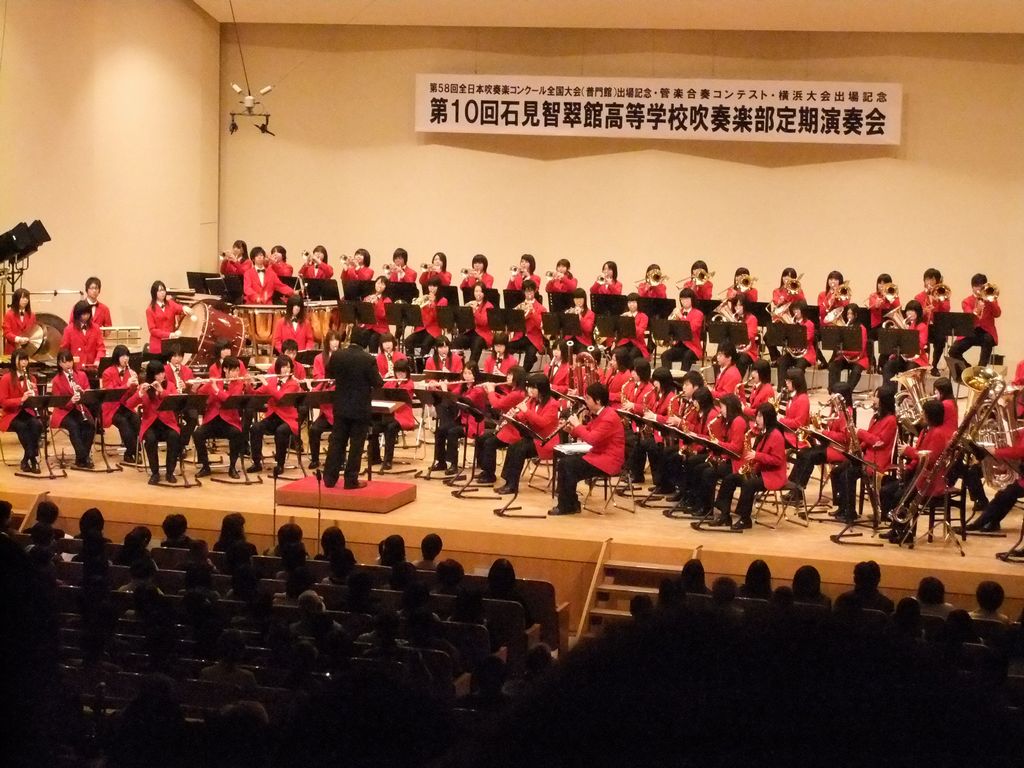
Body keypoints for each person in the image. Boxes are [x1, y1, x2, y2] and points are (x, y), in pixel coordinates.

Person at [709, 402, 788, 530]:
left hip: (773, 475)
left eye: (760, 416)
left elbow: (778, 460)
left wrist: (757, 456)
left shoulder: (776, 435)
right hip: (761, 471)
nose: (757, 419)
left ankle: (745, 519)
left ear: (768, 417)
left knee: (748, 484)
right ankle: (724, 514)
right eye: (757, 416)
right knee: (730, 478)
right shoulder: (764, 432)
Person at [551, 382, 626, 515]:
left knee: (568, 465)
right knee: (565, 463)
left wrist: (577, 425)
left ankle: (568, 505)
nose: (585, 401)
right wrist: (571, 429)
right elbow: (589, 429)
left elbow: (592, 438)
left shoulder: (609, 417)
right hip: (598, 455)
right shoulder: (601, 413)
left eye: (588, 398)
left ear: (598, 401)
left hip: (608, 460)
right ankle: (570, 503)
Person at [324, 341, 383, 489]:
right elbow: (377, 383)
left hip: (341, 405)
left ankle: (329, 478)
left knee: (337, 442)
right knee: (356, 445)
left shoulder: (337, 355)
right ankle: (350, 480)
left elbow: (329, 374)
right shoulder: (368, 359)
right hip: (360, 408)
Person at [496, 372, 561, 495]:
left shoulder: (552, 404)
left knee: (519, 449)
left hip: (545, 441)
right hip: (533, 438)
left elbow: (542, 423)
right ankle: (508, 481)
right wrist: (514, 417)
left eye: (533, 387)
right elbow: (523, 417)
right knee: (513, 445)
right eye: (529, 387)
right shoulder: (532, 401)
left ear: (541, 389)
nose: (529, 390)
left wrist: (526, 411)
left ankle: (512, 485)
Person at [128, 359, 181, 484]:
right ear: (152, 376)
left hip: (167, 423)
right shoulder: (144, 387)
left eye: (162, 372)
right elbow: (129, 404)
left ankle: (170, 472)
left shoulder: (170, 385)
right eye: (158, 374)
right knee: (150, 439)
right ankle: (155, 473)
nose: (161, 376)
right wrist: (140, 393)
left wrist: (162, 391)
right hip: (150, 424)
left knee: (174, 436)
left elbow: (175, 403)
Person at [247, 355, 302, 477]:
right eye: (283, 367)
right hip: (272, 416)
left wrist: (266, 384)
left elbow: (281, 398)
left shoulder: (293, 384)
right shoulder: (272, 381)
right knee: (255, 427)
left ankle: (280, 464)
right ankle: (256, 462)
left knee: (281, 431)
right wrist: (249, 384)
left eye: (288, 367)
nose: (286, 370)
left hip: (288, 419)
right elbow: (256, 394)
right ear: (278, 368)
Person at [194, 355, 247, 478]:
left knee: (237, 434)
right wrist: (196, 386)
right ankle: (205, 466)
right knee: (197, 434)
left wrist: (216, 390)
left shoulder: (239, 384)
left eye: (237, 370)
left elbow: (229, 400)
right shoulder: (216, 380)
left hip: (230, 420)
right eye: (233, 370)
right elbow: (201, 394)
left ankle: (232, 467)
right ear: (225, 369)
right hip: (213, 418)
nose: (236, 373)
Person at [474, 366, 528, 484]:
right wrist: (490, 392)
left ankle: (489, 475)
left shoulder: (518, 393)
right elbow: (505, 399)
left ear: (517, 377)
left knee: (490, 443)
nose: (507, 377)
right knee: (482, 437)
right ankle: (485, 470)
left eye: (510, 375)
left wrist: (491, 391)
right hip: (507, 426)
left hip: (514, 430)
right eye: (508, 374)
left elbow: (497, 405)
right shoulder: (516, 391)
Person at [49, 349, 96, 468]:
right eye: (64, 362)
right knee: (74, 426)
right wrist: (71, 401)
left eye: (70, 361)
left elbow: (88, 392)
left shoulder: (81, 375)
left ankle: (81, 459)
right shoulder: (56, 380)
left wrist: (82, 392)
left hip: (79, 408)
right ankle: (84, 457)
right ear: (59, 364)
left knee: (90, 425)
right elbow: (57, 402)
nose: (68, 364)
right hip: (63, 411)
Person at [0, 350, 44, 472]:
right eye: (21, 360)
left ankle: (26, 459)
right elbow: (3, 402)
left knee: (37, 425)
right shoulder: (6, 378)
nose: (24, 362)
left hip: (27, 412)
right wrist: (21, 399)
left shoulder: (32, 378)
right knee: (23, 427)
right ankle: (33, 460)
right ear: (14, 361)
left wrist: (34, 393)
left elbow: (35, 401)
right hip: (11, 414)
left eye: (25, 359)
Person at [370, 359, 415, 470]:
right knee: (373, 427)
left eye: (403, 372)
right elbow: (380, 391)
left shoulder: (409, 384)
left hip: (402, 416)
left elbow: (402, 398)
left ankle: (388, 460)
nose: (400, 375)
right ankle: (375, 457)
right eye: (398, 372)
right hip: (388, 415)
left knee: (390, 428)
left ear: (407, 372)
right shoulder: (391, 383)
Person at [949, 272, 1001, 369]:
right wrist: (977, 310)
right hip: (971, 331)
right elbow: (969, 317)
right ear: (972, 287)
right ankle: (967, 369)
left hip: (986, 331)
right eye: (976, 286)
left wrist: (991, 302)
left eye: (981, 286)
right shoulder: (967, 301)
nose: (979, 289)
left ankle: (980, 369)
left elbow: (997, 314)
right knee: (953, 351)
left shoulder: (991, 299)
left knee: (988, 340)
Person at [100, 344, 141, 464]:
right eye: (123, 356)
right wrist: (126, 385)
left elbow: (130, 396)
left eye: (127, 356)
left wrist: (135, 387)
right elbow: (111, 394)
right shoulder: (107, 373)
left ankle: (133, 451)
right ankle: (133, 451)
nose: (126, 358)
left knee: (136, 419)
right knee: (123, 422)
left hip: (125, 405)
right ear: (116, 357)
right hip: (111, 407)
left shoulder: (130, 372)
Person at [307, 330, 341, 470]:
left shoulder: (343, 357)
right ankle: (315, 459)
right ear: (327, 342)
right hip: (326, 408)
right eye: (332, 340)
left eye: (337, 339)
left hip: (340, 407)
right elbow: (318, 377)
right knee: (314, 430)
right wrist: (327, 381)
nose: (335, 342)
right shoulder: (319, 358)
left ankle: (339, 461)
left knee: (339, 432)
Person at [507, 279, 547, 373]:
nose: (529, 293)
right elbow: (513, 322)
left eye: (531, 291)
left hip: (533, 339)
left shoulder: (541, 308)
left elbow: (541, 325)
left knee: (530, 355)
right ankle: (508, 370)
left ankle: (523, 374)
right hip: (520, 337)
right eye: (526, 291)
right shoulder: (520, 306)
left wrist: (533, 312)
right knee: (506, 347)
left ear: (535, 291)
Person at [827, 303, 868, 392]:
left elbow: (862, 348)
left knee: (856, 371)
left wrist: (845, 353)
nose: (849, 316)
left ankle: (846, 391)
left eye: (851, 314)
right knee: (833, 366)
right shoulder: (845, 327)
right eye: (848, 314)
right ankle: (834, 390)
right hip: (845, 357)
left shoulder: (862, 328)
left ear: (856, 315)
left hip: (858, 358)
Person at [660, 288, 704, 371]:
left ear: (692, 299)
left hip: (692, 347)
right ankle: (667, 376)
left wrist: (681, 316)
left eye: (687, 298)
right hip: (679, 345)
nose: (684, 301)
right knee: (665, 356)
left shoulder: (698, 314)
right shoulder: (678, 311)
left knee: (687, 356)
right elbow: (671, 327)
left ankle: (683, 378)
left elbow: (691, 329)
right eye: (682, 299)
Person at [453, 280, 494, 364]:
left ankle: (471, 367)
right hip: (472, 332)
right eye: (476, 291)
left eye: (480, 291)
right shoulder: (471, 303)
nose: (478, 293)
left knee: (477, 343)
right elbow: (465, 321)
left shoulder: (489, 305)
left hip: (483, 335)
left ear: (484, 293)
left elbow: (484, 322)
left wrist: (475, 311)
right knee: (457, 341)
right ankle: (460, 365)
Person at [62, 299, 106, 366]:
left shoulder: (96, 328)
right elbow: (64, 350)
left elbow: (101, 348)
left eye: (88, 314)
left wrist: (98, 360)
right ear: (77, 314)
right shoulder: (69, 330)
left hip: (92, 366)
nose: (86, 316)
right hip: (75, 367)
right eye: (83, 314)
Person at [354, 275, 391, 353]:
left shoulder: (387, 300)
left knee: (373, 339)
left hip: (381, 329)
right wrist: (366, 304)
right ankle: (360, 354)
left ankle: (373, 357)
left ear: (386, 287)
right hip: (370, 327)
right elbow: (362, 313)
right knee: (360, 335)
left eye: (382, 284)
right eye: (378, 283)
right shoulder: (368, 297)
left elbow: (383, 315)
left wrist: (377, 303)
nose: (379, 286)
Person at [615, 292, 649, 361]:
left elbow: (639, 333)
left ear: (638, 303)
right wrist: (620, 320)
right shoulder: (624, 315)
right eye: (629, 302)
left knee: (631, 355)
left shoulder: (644, 316)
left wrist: (630, 319)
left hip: (638, 344)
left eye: (634, 302)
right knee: (616, 353)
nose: (631, 304)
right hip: (625, 342)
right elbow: (619, 332)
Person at [3, 288, 35, 354]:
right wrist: (19, 339)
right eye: (23, 298)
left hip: (27, 350)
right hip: (12, 349)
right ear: (16, 299)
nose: (25, 300)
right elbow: (6, 333)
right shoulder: (9, 314)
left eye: (27, 298)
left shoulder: (32, 315)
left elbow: (34, 331)